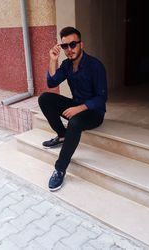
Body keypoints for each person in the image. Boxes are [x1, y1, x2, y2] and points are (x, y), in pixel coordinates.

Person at [38, 26, 107, 191]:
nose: (69, 49)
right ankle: (62, 135)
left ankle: (60, 168)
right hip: (76, 105)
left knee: (75, 122)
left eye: (73, 44)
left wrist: (79, 108)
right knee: (45, 98)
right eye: (65, 46)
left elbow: (101, 98)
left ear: (81, 44)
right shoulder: (67, 65)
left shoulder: (95, 66)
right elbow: (52, 83)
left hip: (93, 112)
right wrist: (53, 60)